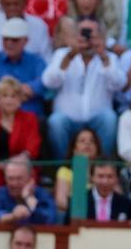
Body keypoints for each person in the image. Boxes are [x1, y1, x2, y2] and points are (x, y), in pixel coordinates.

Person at [43, 16, 124, 158]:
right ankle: (64, 168)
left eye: (91, 33)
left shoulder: (109, 57)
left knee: (109, 119)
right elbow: (49, 82)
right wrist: (70, 56)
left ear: (100, 36)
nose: (87, 38)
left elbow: (118, 85)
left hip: (98, 118)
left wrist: (103, 57)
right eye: (83, 33)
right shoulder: (62, 54)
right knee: (56, 122)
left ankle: (101, 168)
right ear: (75, 35)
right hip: (68, 118)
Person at [0, 75, 40, 204]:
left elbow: (32, 147)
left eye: (14, 96)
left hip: (22, 164)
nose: (9, 100)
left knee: (28, 175)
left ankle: (27, 210)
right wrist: (0, 165)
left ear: (20, 99)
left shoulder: (30, 118)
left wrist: (15, 165)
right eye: (5, 96)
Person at [0, 16, 45, 118]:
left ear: (25, 41)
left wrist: (5, 93)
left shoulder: (37, 61)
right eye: (6, 39)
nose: (9, 43)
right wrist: (18, 92)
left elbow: (43, 84)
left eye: (14, 40)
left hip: (31, 119)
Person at [0, 155, 56, 225]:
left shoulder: (43, 194)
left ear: (30, 178)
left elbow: (49, 220)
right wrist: (13, 216)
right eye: (10, 178)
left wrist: (28, 197)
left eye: (19, 178)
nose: (14, 183)